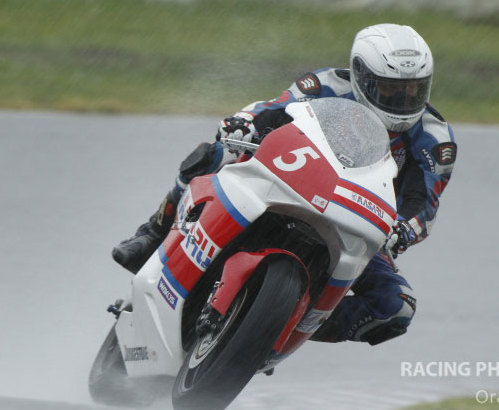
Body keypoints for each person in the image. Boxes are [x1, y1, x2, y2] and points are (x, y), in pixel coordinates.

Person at [112, 24, 457, 345]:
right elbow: (273, 111)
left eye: (414, 89)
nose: (403, 100)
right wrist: (243, 124)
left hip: (356, 220)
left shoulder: (435, 138)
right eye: (390, 88)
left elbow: (424, 203)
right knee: (213, 154)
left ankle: (284, 325)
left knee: (397, 307)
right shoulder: (325, 84)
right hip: (288, 180)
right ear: (362, 77)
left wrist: (404, 229)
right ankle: (152, 234)